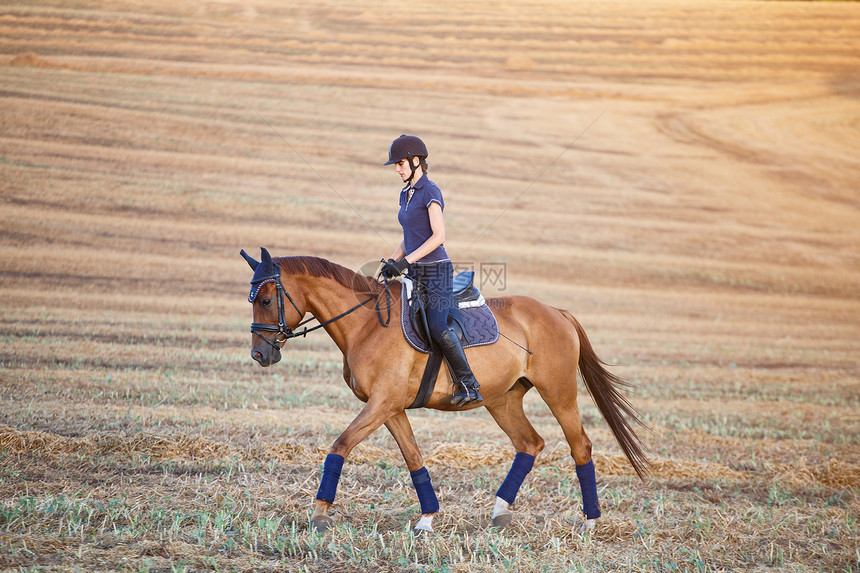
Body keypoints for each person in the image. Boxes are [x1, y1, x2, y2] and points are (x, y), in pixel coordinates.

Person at [380, 135, 482, 407]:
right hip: (415, 272)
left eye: (400, 163)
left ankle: (469, 384)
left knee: (437, 327)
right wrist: (393, 261)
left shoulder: (430, 191)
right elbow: (410, 233)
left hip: (436, 271)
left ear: (416, 161)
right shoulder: (406, 193)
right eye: (395, 165)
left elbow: (438, 236)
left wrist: (407, 261)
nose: (397, 169)